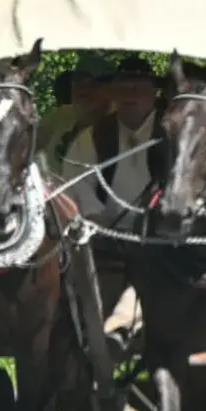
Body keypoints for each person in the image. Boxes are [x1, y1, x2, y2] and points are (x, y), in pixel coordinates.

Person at [60, 55, 164, 354]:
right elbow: (75, 178)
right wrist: (96, 217)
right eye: (125, 86)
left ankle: (122, 325)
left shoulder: (171, 133)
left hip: (159, 240)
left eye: (139, 86)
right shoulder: (94, 135)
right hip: (104, 238)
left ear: (154, 92)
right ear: (115, 92)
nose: (131, 94)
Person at [38, 53, 115, 177]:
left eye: (95, 83)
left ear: (112, 88)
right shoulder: (61, 115)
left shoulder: (122, 123)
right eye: (79, 81)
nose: (84, 89)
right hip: (53, 193)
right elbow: (25, 142)